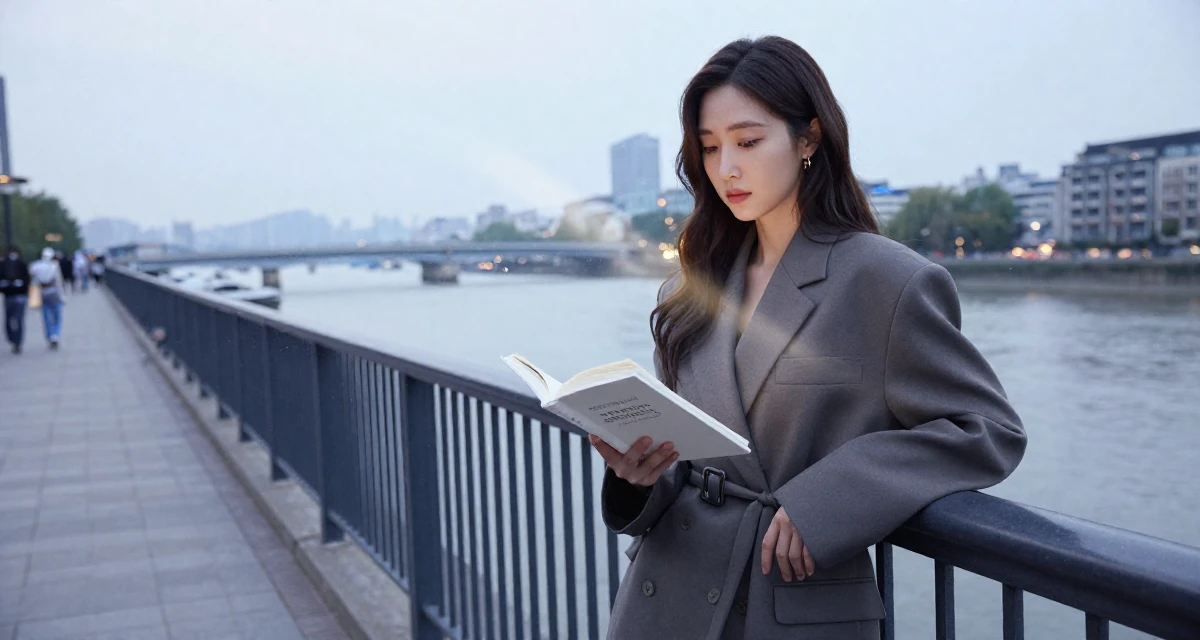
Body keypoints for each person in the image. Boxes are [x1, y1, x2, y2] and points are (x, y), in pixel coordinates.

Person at [592, 37, 1027, 640]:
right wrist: (637, 472)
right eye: (710, 147)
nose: (727, 169)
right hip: (666, 597)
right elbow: (699, 456)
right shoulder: (693, 287)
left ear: (809, 139)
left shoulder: (885, 279)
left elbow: (986, 429)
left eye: (747, 142)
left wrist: (829, 497)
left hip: (788, 603)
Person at [29, 247, 65, 349]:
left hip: (43, 292)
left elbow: (33, 281)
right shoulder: (54, 266)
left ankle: (49, 335)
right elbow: (59, 281)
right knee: (57, 316)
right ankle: (55, 334)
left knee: (46, 315)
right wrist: (62, 296)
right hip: (53, 292)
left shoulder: (35, 266)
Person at [0, 245, 31, 353]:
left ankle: (17, 341)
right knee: (9, 320)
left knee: (17, 320)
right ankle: (13, 339)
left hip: (19, 295)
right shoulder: (3, 265)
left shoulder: (22, 265)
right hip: (9, 295)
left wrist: (22, 286)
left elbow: (27, 279)